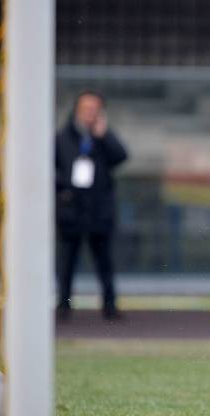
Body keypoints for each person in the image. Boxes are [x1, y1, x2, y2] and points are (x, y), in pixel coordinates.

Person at [55, 90, 128, 320]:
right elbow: (53, 166)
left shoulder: (103, 137)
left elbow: (121, 157)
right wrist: (63, 190)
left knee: (104, 260)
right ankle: (63, 305)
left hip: (99, 209)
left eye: (94, 109)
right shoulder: (63, 137)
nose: (90, 114)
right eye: (86, 109)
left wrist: (104, 136)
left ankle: (109, 305)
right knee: (67, 261)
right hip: (72, 209)